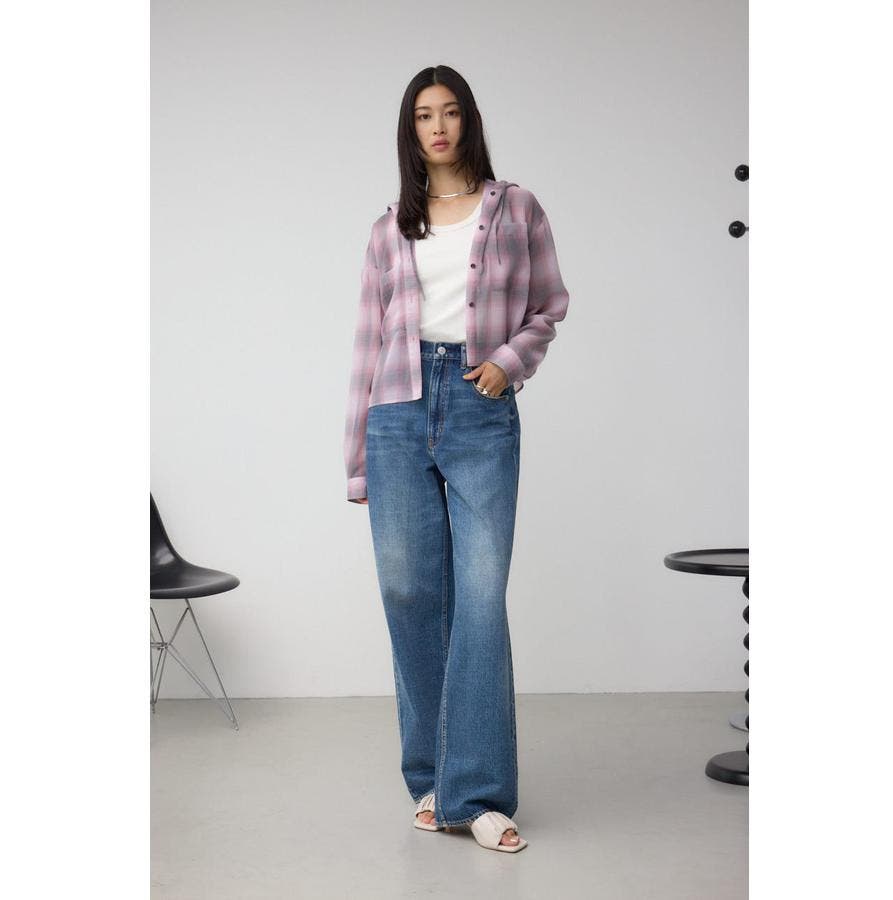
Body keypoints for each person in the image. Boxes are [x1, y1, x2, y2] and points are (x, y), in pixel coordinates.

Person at [343, 65, 570, 853]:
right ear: (410, 131)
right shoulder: (389, 228)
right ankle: (433, 780)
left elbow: (550, 304)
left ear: (468, 120)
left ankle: (478, 794)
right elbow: (368, 344)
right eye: (422, 116)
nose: (437, 127)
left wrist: (509, 361)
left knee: (478, 598)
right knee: (409, 593)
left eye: (448, 112)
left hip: (479, 408)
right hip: (397, 411)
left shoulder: (516, 208)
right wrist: (357, 457)